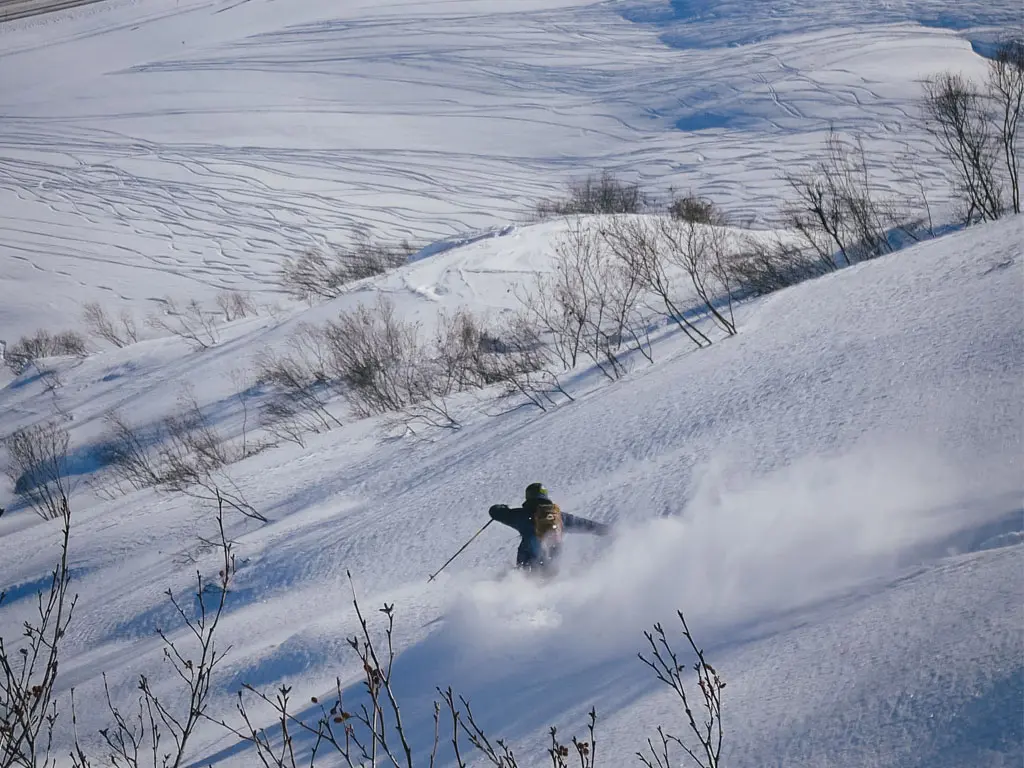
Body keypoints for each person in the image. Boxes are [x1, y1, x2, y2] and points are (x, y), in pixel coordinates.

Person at [489, 482, 609, 575]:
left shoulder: (521, 516)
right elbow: (585, 525)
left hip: (528, 569)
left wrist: (501, 508)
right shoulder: (560, 517)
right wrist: (608, 530)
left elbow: (495, 512)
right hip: (551, 569)